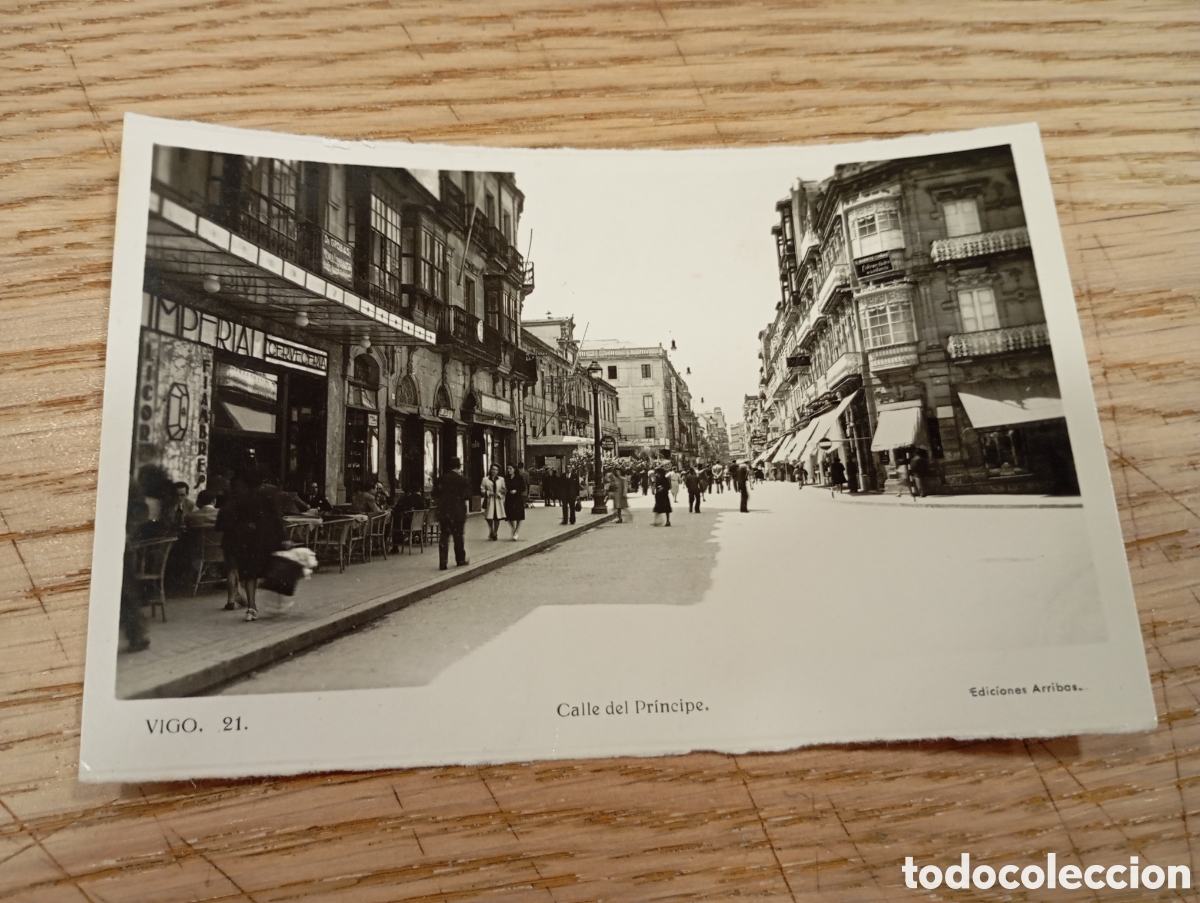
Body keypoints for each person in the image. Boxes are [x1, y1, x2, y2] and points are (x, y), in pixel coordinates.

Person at [216, 467, 285, 621]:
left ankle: (251, 607)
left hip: (246, 540)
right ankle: (276, 604)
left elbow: (227, 520)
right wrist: (283, 538)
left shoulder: (238, 497)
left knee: (249, 574)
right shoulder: (267, 494)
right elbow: (276, 517)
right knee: (271, 569)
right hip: (264, 539)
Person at [436, 457, 471, 569]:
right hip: (458, 512)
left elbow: (435, 493)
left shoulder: (441, 479)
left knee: (444, 536)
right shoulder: (462, 480)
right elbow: (468, 496)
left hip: (444, 512)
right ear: (459, 466)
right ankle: (460, 560)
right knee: (458, 536)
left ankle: (443, 562)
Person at [480, 463, 506, 540]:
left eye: (496, 470)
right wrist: (488, 493)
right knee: (489, 517)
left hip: (498, 500)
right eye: (493, 469)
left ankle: (495, 533)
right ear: (490, 470)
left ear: (498, 471)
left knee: (497, 517)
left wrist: (500, 493)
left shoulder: (501, 479)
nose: (494, 471)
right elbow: (482, 489)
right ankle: (491, 530)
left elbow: (504, 489)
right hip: (490, 500)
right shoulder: (485, 479)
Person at [505, 462, 527, 540]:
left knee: (519, 515)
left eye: (510, 468)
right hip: (509, 497)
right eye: (508, 468)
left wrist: (516, 490)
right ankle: (513, 529)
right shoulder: (506, 478)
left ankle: (516, 531)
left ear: (514, 469)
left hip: (517, 498)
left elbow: (523, 487)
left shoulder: (519, 478)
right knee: (509, 515)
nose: (508, 470)